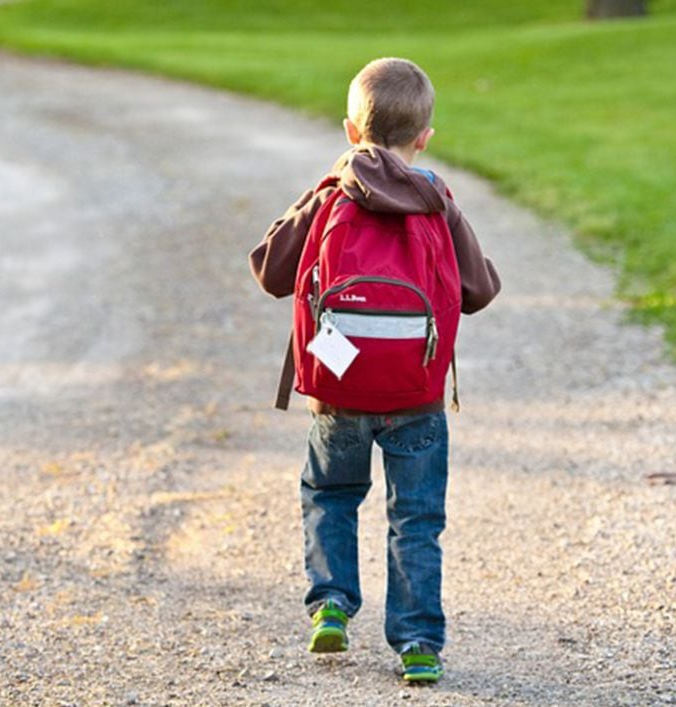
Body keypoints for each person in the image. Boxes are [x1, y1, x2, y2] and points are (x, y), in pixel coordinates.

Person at [249, 57, 500, 682]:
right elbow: (480, 289)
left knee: (331, 495)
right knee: (415, 518)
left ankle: (331, 604)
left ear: (349, 132)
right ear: (425, 137)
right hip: (417, 395)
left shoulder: (334, 194)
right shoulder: (436, 197)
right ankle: (418, 643)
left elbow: (269, 270)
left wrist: (323, 186)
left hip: (339, 393)